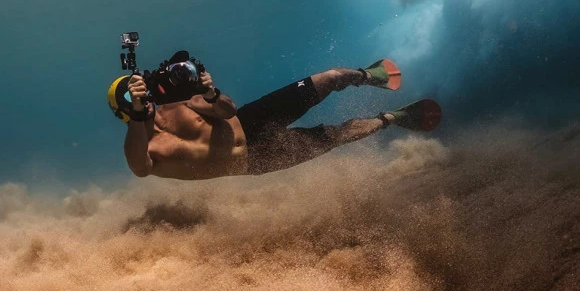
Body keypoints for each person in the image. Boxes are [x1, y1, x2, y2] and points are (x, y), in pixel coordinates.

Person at [114, 56, 441, 180]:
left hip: (251, 118)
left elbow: (227, 109)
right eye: (130, 96)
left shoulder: (179, 106)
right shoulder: (144, 150)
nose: (139, 96)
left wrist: (211, 92)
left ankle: (367, 75)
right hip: (255, 160)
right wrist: (136, 118)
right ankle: (390, 118)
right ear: (123, 111)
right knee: (336, 135)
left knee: (327, 78)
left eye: (138, 90)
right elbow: (139, 168)